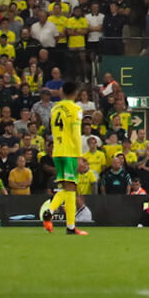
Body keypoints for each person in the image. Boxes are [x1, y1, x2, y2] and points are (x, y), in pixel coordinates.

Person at [45, 81, 88, 236]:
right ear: (75, 93)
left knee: (68, 189)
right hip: (69, 152)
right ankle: (49, 211)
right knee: (70, 188)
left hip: (57, 151)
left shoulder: (55, 108)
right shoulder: (76, 109)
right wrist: (79, 157)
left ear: (62, 91)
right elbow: (76, 134)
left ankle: (70, 227)